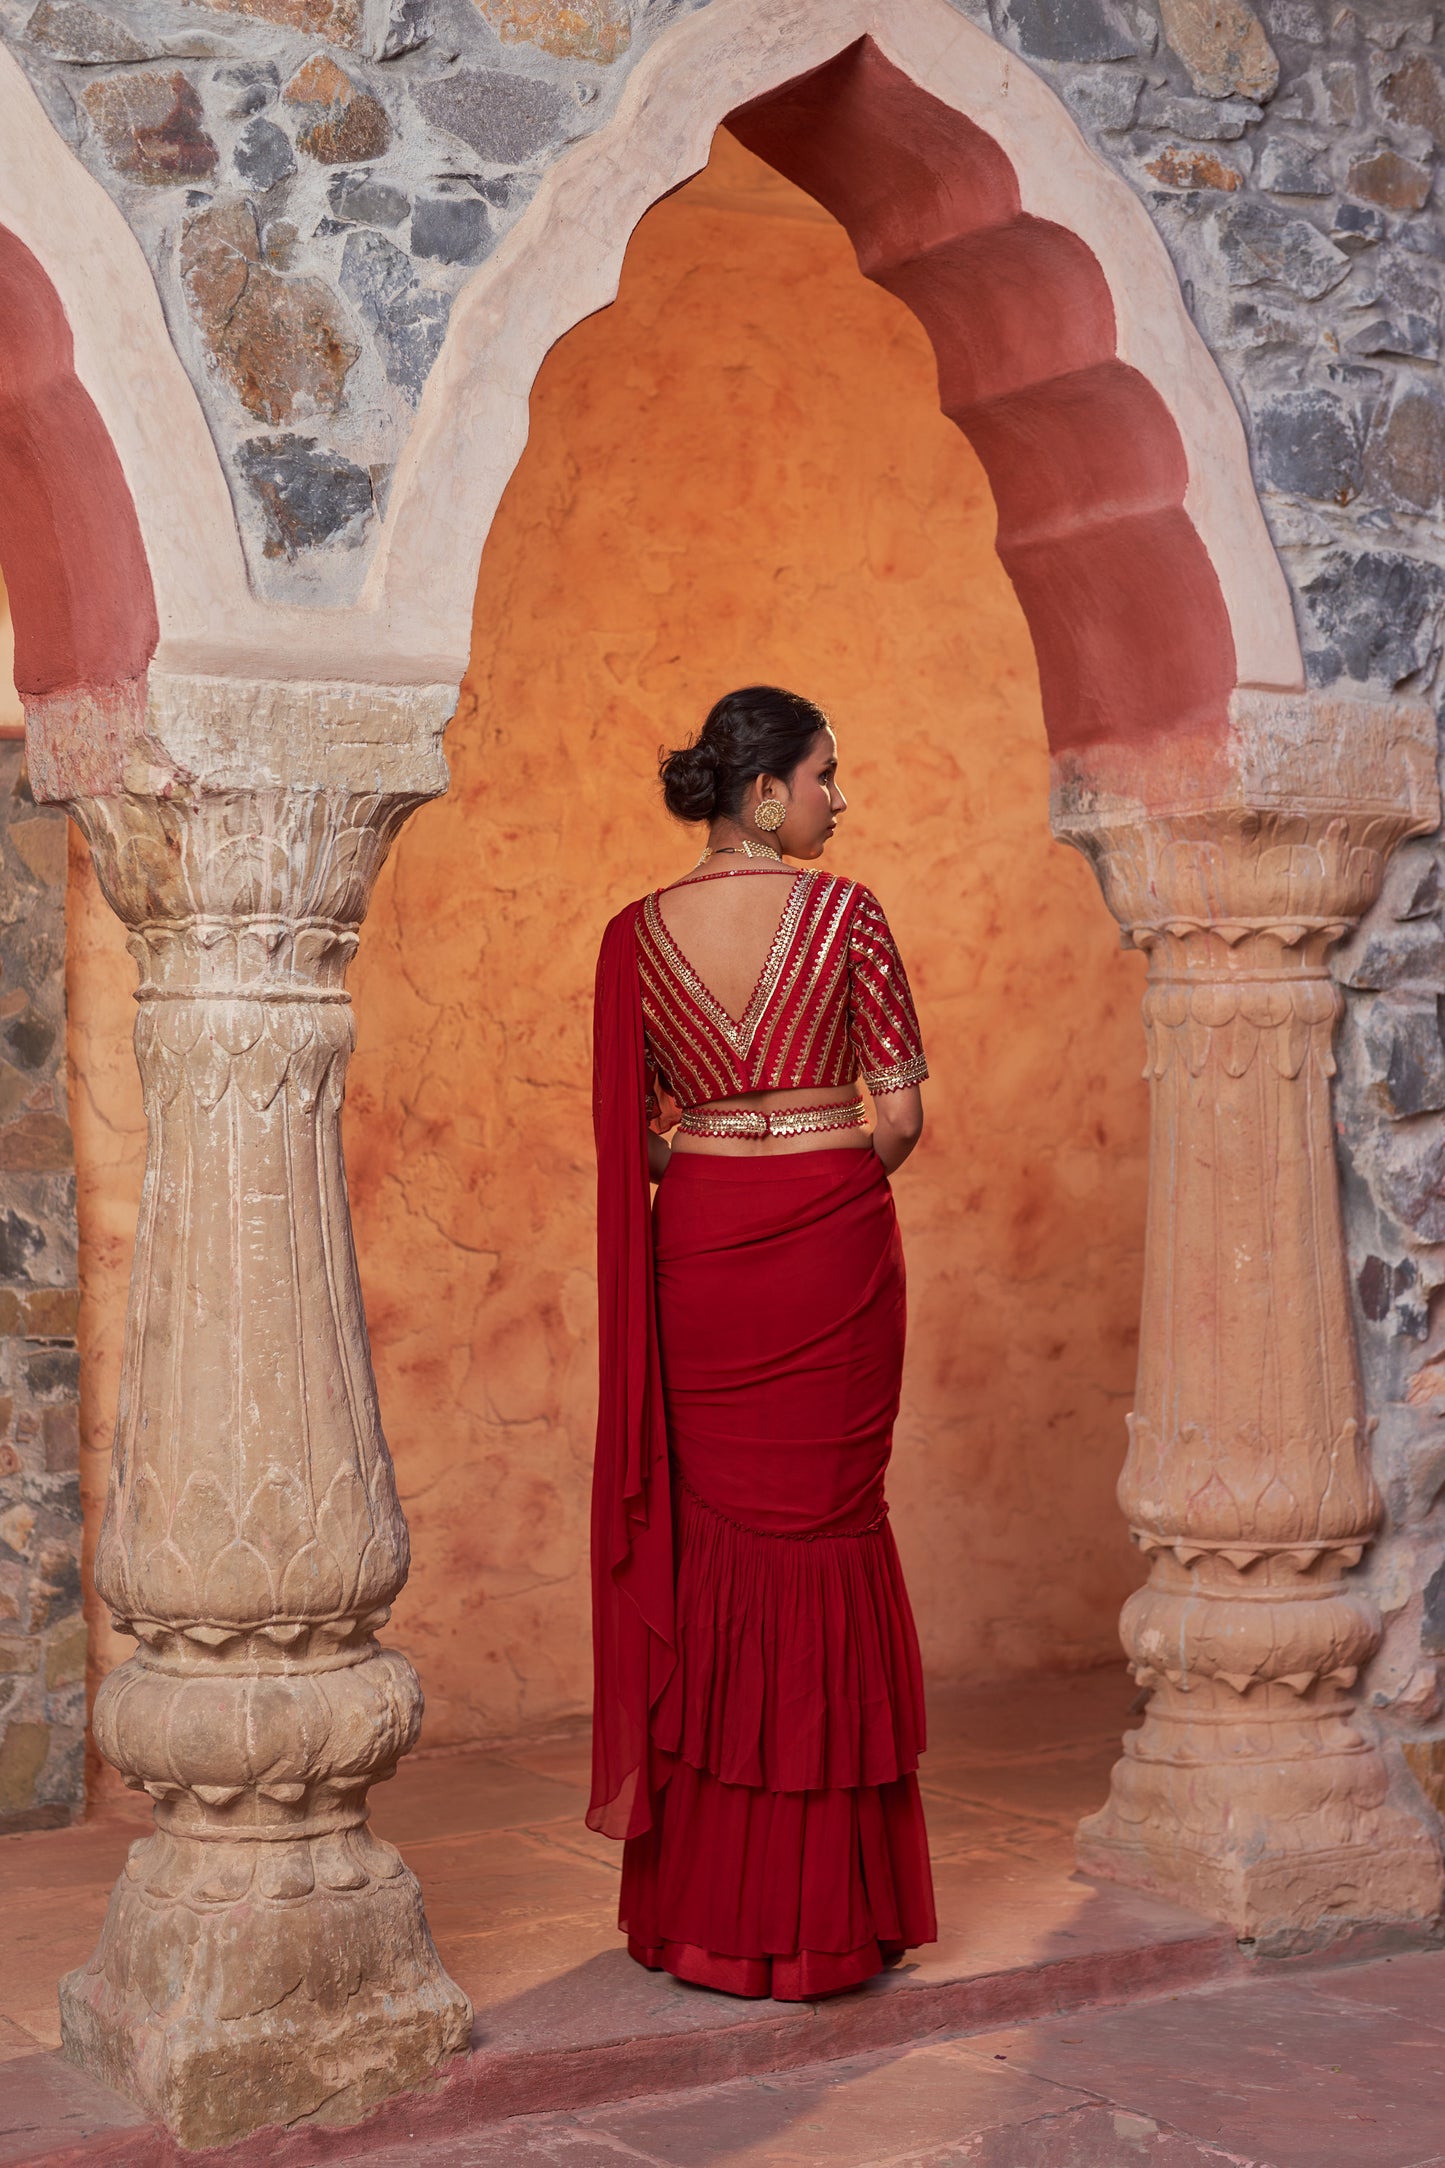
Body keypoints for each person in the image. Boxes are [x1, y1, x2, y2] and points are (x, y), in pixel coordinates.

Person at [589, 684, 936, 2001]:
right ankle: (829, 1911)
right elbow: (898, 1118)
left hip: (704, 1250)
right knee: (831, 1530)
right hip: (831, 1245)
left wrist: (725, 1165)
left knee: (721, 1541)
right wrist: (818, 1174)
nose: (837, 800)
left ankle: (705, 1912)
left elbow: (638, 1143)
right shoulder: (847, 914)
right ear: (765, 790)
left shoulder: (633, 937)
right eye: (824, 774)